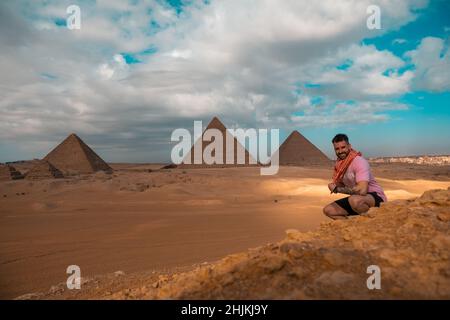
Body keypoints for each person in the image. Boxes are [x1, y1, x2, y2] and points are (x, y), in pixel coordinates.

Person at [323, 134, 387, 219]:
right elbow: (341, 184)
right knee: (329, 210)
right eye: (337, 149)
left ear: (349, 146)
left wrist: (336, 189)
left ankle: (373, 222)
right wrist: (335, 186)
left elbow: (362, 191)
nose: (340, 151)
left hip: (376, 198)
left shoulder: (358, 161)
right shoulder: (340, 165)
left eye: (343, 147)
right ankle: (352, 229)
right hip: (358, 199)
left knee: (354, 200)